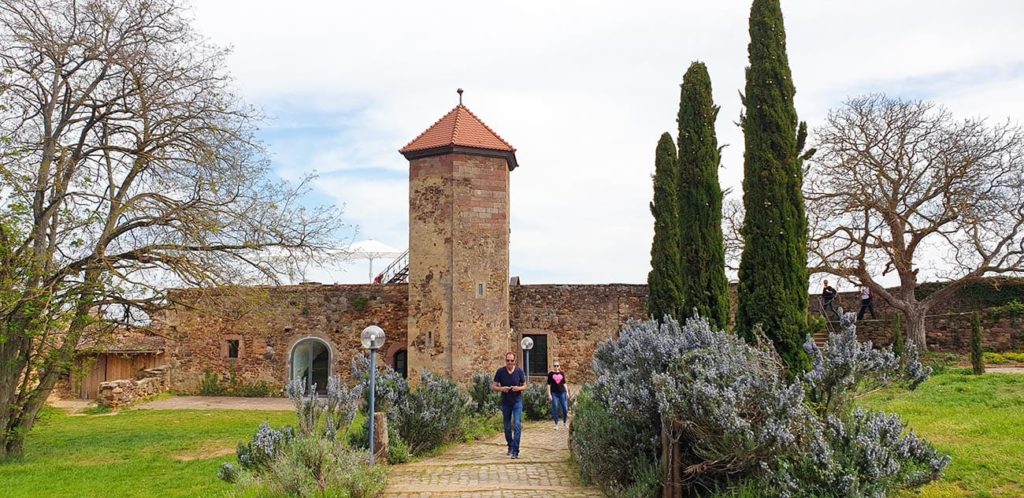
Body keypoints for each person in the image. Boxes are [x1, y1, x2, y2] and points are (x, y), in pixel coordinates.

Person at [493, 352, 526, 459]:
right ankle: (510, 445)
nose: (510, 362)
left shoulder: (519, 371)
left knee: (517, 424)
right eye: (508, 360)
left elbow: (525, 385)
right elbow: (494, 386)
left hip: (517, 401)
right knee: (507, 427)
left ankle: (515, 451)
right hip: (506, 402)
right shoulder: (500, 372)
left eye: (512, 360)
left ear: (514, 361)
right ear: (505, 361)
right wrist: (502, 389)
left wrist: (518, 388)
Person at [546, 360, 568, 429]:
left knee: (565, 408)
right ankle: (556, 424)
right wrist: (549, 394)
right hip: (554, 393)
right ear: (553, 366)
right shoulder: (550, 374)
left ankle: (565, 422)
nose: (556, 367)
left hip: (562, 392)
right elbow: (548, 385)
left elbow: (564, 383)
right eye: (555, 366)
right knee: (555, 407)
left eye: (557, 366)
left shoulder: (562, 373)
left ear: (559, 366)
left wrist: (567, 392)